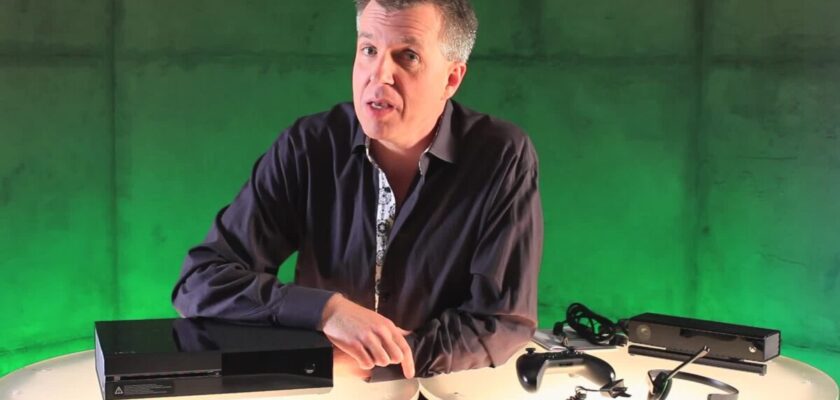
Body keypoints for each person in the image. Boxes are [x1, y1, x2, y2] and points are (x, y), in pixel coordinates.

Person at [172, 0, 543, 381]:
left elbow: (502, 321)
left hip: (433, 386)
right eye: (368, 50)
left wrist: (380, 362)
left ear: (451, 79)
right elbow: (200, 282)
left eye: (408, 56)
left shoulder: (501, 155)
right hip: (325, 386)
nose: (379, 74)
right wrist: (327, 311)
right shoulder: (309, 146)